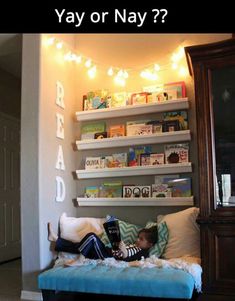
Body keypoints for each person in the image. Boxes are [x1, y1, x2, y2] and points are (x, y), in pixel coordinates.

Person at [48, 223, 158, 262]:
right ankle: (56, 239)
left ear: (149, 245)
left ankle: (81, 259)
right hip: (106, 251)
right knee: (81, 245)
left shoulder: (142, 252)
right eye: (138, 237)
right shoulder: (135, 245)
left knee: (92, 237)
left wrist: (123, 250)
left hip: (106, 256)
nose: (137, 240)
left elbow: (127, 257)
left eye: (141, 239)